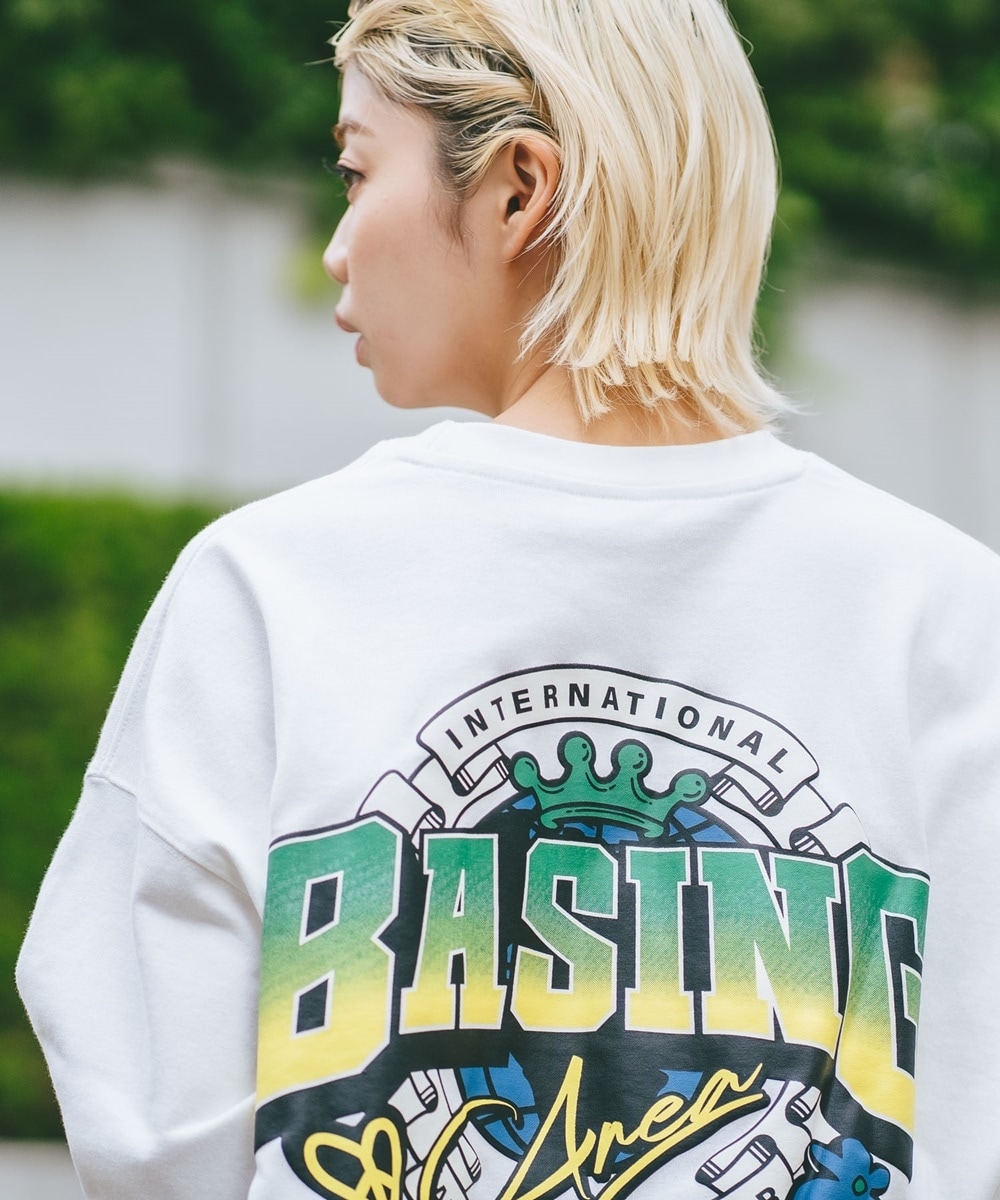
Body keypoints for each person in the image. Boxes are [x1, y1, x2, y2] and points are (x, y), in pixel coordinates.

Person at [16, 1, 1000, 1198]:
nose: (336, 248)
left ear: (517, 190)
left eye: (355, 171)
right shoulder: (944, 613)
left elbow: (153, 1119)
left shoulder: (273, 587)